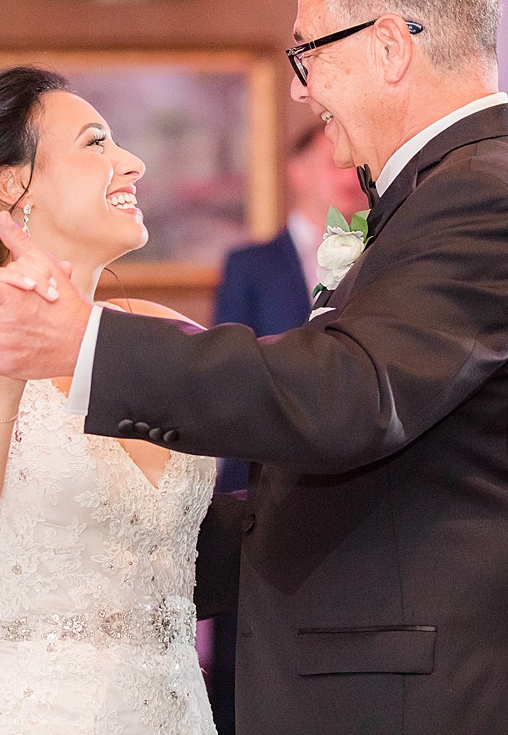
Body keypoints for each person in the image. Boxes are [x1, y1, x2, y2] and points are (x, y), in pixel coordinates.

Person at [0, 0, 508, 735]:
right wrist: (74, 574)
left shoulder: (482, 195)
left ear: (390, 47)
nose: (299, 87)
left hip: (465, 696)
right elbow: (384, 469)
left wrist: (85, 345)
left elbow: (350, 396)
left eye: (309, 51)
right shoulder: (465, 188)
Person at [0, 66, 217, 735]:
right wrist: (4, 379)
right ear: (13, 183)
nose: (132, 163)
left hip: (177, 708)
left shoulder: (160, 334)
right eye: (97, 143)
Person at [205, 122, 366, 730]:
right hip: (256, 481)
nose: (346, 175)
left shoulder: (377, 259)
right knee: (246, 660)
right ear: (296, 171)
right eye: (331, 161)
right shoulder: (252, 264)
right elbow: (228, 372)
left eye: (353, 164)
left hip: (345, 484)